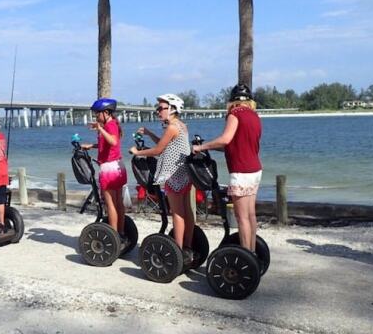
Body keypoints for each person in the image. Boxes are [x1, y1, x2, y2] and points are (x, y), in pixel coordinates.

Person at [192, 84, 261, 253]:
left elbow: (225, 139)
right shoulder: (254, 116)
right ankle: (252, 252)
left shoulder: (234, 113)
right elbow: (234, 145)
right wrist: (209, 146)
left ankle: (247, 255)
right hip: (255, 169)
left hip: (241, 171)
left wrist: (200, 148)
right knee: (251, 215)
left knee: (241, 217)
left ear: (232, 101)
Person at [129, 94, 196, 265]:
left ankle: (178, 252)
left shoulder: (172, 127)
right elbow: (165, 144)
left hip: (173, 175)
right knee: (186, 211)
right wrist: (150, 133)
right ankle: (187, 248)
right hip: (184, 174)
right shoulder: (181, 126)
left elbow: (158, 151)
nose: (157, 111)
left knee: (178, 213)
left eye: (161, 108)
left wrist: (138, 152)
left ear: (172, 109)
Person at [80, 98, 129, 249]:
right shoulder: (111, 124)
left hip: (109, 170)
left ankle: (114, 237)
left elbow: (113, 141)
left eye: (97, 114)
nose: (96, 116)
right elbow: (108, 145)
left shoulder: (110, 125)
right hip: (117, 167)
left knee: (111, 205)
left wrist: (100, 129)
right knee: (118, 203)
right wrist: (92, 145)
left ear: (106, 112)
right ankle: (120, 234)